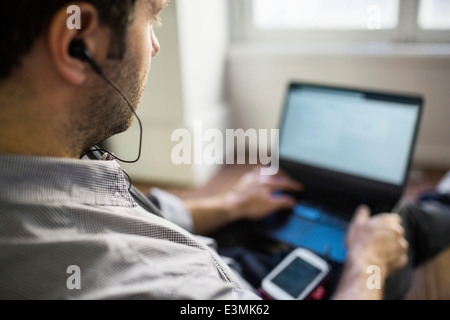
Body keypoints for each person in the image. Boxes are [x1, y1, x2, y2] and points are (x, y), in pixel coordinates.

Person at [0, 0, 444, 300]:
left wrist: (230, 203)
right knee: (396, 224)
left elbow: (140, 211)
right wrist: (367, 263)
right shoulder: (169, 289)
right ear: (78, 46)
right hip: (245, 281)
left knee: (279, 217)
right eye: (152, 16)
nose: (155, 44)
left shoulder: (45, 171)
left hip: (226, 254)